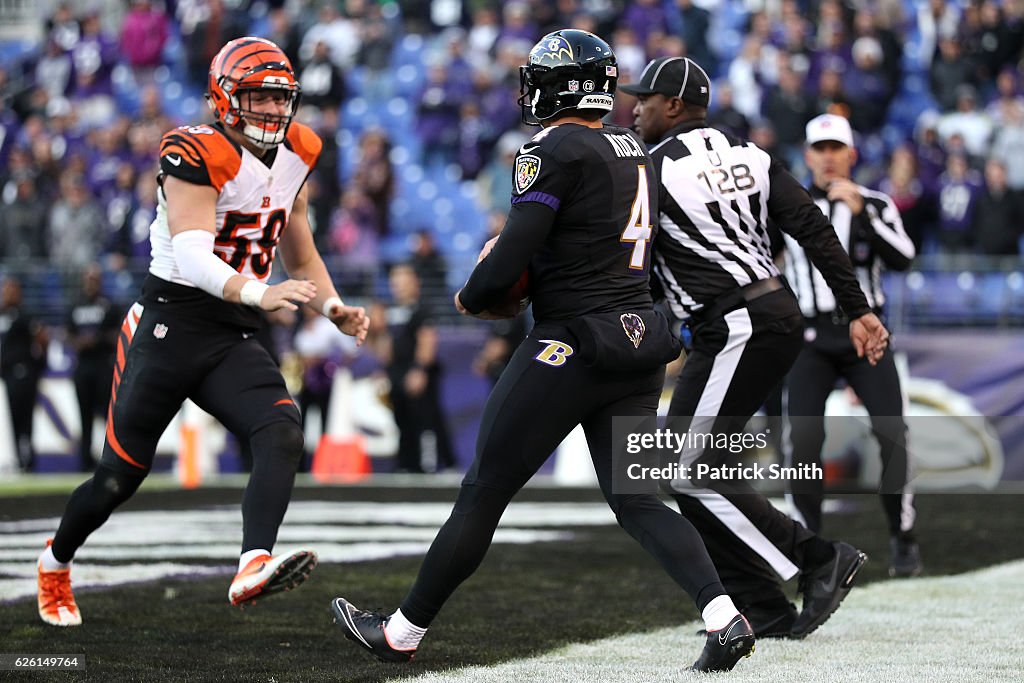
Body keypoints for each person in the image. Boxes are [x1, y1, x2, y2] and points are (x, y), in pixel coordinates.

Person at [332, 30, 755, 673]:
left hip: (571, 344)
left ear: (563, 83)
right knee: (639, 500)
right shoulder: (632, 147)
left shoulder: (552, 146)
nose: (529, 85)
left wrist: (476, 291)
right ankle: (725, 617)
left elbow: (515, 250)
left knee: (483, 491)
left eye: (540, 75)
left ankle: (402, 631)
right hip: (637, 340)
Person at [35, 37, 370, 628]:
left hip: (232, 327)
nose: (271, 110)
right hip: (170, 320)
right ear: (224, 97)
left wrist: (332, 307)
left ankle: (252, 562)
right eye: (258, 97)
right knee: (118, 477)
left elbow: (301, 250)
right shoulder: (192, 150)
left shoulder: (300, 149)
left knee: (281, 427)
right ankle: (55, 561)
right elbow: (192, 254)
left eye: (279, 98)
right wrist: (262, 293)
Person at [623, 57, 890, 638]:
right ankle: (764, 606)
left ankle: (818, 558)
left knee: (684, 468)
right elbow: (814, 228)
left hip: (736, 323)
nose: (634, 107)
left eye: (643, 98)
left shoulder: (651, 168)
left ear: (672, 106)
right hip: (769, 315)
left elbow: (630, 259)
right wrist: (860, 308)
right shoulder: (751, 154)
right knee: (700, 466)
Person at [782, 113, 921, 578]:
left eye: (834, 148)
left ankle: (902, 537)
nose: (826, 157)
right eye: (819, 149)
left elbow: (903, 258)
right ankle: (807, 553)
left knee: (891, 435)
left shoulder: (876, 203)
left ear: (851, 154)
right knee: (802, 441)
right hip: (810, 336)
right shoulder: (789, 205)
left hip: (868, 335)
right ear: (807, 155)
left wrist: (861, 213)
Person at [385, 263, 456, 473]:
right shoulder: (392, 311)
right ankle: (408, 464)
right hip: (397, 372)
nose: (397, 286)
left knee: (427, 420)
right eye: (394, 281)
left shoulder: (422, 309)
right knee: (402, 421)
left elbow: (427, 340)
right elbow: (388, 346)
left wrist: (419, 369)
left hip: (417, 372)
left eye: (403, 280)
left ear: (415, 282)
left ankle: (438, 465)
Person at [66, 264, 121, 472]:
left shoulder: (109, 306)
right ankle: (85, 460)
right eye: (88, 278)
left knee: (109, 414)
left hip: (104, 365)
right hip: (83, 367)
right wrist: (79, 342)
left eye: (94, 279)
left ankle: (110, 458)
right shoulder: (76, 305)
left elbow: (119, 332)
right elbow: (67, 334)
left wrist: (96, 340)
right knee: (85, 415)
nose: (91, 283)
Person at [0, 277, 48, 472]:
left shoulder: (25, 315)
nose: (6, 293)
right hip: (7, 374)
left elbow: (42, 338)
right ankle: (17, 459)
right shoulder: (3, 314)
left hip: (23, 372)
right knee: (11, 417)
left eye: (11, 290)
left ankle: (27, 460)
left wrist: (39, 364)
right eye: (5, 289)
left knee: (24, 418)